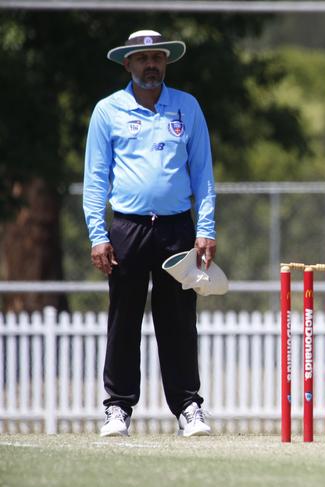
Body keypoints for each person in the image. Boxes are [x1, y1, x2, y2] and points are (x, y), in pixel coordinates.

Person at [83, 30, 216, 437]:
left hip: (177, 227)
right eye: (142, 59)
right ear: (128, 64)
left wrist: (206, 227)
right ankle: (117, 408)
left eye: (157, 57)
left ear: (166, 62)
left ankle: (188, 407)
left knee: (178, 320)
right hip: (127, 227)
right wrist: (97, 233)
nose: (151, 65)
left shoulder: (186, 106)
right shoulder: (108, 110)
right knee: (124, 318)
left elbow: (203, 174)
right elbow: (95, 178)